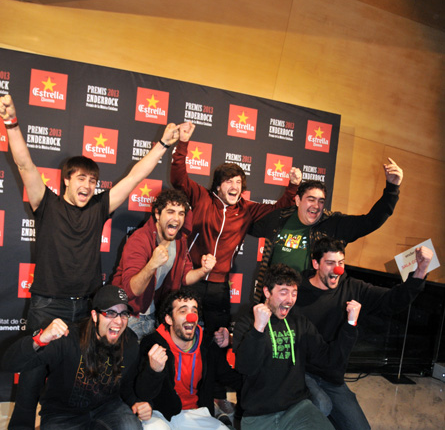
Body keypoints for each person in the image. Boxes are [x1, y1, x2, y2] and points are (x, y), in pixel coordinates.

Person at [0, 94, 179, 430]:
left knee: (87, 369)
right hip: (47, 305)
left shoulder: (99, 208)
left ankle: (84, 425)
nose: (87, 185)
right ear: (66, 180)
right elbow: (24, 163)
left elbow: (135, 177)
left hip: (86, 308)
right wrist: (12, 123)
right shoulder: (46, 203)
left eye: (93, 180)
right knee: (33, 369)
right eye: (81, 178)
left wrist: (162, 144)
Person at [277, 237, 433, 430]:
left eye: (341, 262)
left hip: (331, 374)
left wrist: (419, 271)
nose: (337, 269)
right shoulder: (297, 291)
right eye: (330, 263)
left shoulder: (352, 288)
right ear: (316, 263)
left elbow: (391, 301)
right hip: (301, 371)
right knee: (321, 404)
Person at [228, 264, 361, 430]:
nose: (290, 299)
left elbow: (329, 359)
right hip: (260, 413)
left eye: (294, 292)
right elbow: (245, 367)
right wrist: (258, 329)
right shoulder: (248, 321)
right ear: (267, 292)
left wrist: (350, 325)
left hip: (295, 406)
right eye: (283, 292)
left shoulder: (300, 323)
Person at [1, 286, 150, 430]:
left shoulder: (129, 342)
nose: (118, 321)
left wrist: (136, 402)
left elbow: (125, 384)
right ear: (94, 315)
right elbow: (9, 363)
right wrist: (40, 339)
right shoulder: (68, 338)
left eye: (123, 314)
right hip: (64, 414)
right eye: (110, 313)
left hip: (105, 408)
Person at [170, 121, 302, 333]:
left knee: (218, 337)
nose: (234, 186)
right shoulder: (203, 197)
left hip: (220, 286)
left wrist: (293, 187)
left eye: (238, 182)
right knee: (181, 331)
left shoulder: (246, 209)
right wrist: (183, 142)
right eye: (229, 181)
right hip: (191, 277)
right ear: (218, 186)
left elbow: (277, 211)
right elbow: (179, 179)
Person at [133, 287, 243, 430]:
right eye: (183, 311)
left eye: (194, 310)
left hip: (193, 414)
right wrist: (153, 371)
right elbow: (142, 392)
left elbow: (228, 376)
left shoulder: (207, 343)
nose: (191, 316)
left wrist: (233, 345)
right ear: (169, 319)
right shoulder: (152, 343)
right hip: (161, 413)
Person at [252, 159, 403, 298]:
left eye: (321, 201)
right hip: (275, 299)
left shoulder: (333, 225)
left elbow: (370, 222)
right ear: (298, 200)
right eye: (311, 199)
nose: (316, 206)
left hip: (310, 301)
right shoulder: (279, 218)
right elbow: (246, 222)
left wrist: (392, 189)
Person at [113, 189, 216, 340]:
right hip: (130, 316)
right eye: (170, 212)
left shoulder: (180, 241)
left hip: (156, 316)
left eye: (181, 213)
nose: (176, 218)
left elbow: (185, 277)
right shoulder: (139, 239)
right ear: (157, 214)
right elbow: (132, 290)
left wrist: (203, 270)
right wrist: (152, 265)